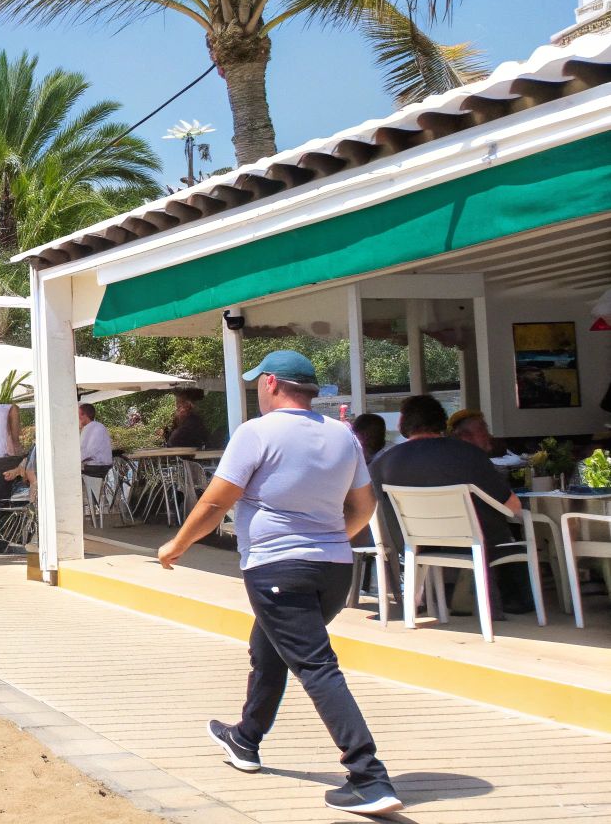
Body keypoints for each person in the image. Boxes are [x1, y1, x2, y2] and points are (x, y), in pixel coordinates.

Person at [157, 350, 399, 816]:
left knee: (315, 665)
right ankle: (245, 739)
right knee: (269, 649)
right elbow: (364, 507)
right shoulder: (343, 436)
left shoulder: (257, 432)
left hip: (276, 569)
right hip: (333, 568)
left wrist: (177, 546)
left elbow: (214, 503)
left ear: (270, 382)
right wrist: (326, 540)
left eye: (257, 384)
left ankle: (368, 776)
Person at [371, 395, 532, 616]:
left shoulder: (383, 463)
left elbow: (377, 511)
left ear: (403, 424)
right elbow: (512, 506)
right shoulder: (469, 454)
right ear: (441, 420)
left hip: (415, 545)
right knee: (520, 529)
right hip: (475, 543)